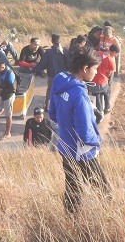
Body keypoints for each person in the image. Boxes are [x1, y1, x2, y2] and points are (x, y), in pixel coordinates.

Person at [48, 48, 110, 213]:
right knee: (104, 192)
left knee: (72, 189)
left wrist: (65, 124)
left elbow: (52, 114)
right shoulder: (79, 96)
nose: (96, 73)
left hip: (65, 146)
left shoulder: (59, 79)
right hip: (82, 152)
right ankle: (105, 221)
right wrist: (97, 141)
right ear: (85, 68)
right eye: (95, 68)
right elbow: (84, 133)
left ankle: (69, 222)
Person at [36, 33, 70, 111]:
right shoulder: (65, 50)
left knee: (50, 89)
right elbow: (68, 63)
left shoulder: (49, 52)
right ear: (60, 41)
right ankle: (61, 105)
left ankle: (48, 105)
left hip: (52, 74)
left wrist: (35, 69)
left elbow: (43, 63)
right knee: (62, 89)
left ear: (52, 41)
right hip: (63, 75)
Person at [91, 44, 119, 122]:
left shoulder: (98, 53)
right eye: (116, 53)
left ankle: (99, 112)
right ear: (113, 51)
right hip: (102, 81)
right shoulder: (110, 60)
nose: (116, 55)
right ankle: (106, 109)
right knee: (106, 93)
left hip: (93, 80)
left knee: (97, 96)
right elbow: (109, 73)